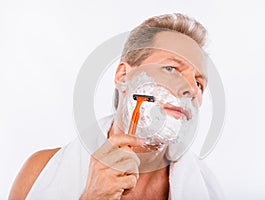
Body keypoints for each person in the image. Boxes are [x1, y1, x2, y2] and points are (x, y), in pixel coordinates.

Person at [9, 13, 223, 200]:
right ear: (123, 76)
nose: (192, 90)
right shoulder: (38, 173)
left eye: (199, 83)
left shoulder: (211, 191)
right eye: (171, 68)